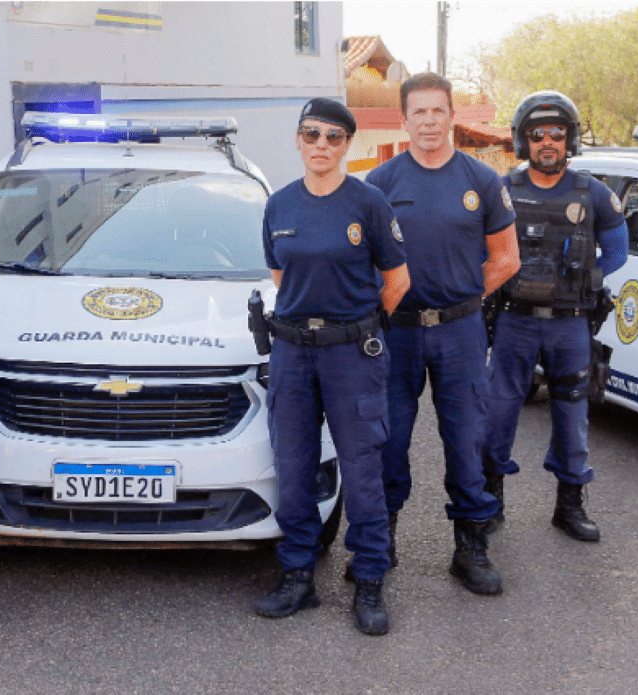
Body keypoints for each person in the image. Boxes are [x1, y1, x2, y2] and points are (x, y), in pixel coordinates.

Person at [254, 98, 410, 635]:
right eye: (311, 134)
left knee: (363, 471)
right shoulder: (278, 206)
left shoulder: (368, 203)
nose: (322, 145)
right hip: (294, 353)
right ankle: (298, 576)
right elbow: (281, 279)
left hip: (352, 355)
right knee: (293, 469)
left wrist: (357, 331)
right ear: (298, 140)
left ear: (348, 145)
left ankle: (368, 580)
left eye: (334, 137)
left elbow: (397, 282)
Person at [365, 73, 520, 596]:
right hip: (398, 332)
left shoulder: (481, 179)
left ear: (451, 115)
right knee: (387, 439)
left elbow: (506, 258)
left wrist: (463, 295)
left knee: (466, 437)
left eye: (438, 111)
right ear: (404, 119)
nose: (429, 121)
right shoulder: (380, 184)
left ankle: (470, 548)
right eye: (418, 113)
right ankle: (380, 544)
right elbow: (361, 263)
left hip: (460, 331)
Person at [481, 91, 628, 541]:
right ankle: (490, 501)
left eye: (557, 135)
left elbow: (618, 252)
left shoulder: (594, 193)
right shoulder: (503, 191)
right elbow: (479, 252)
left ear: (571, 141)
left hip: (570, 324)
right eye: (538, 135)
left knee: (572, 413)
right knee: (500, 410)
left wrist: (589, 276)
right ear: (524, 141)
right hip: (514, 321)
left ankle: (569, 506)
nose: (548, 142)